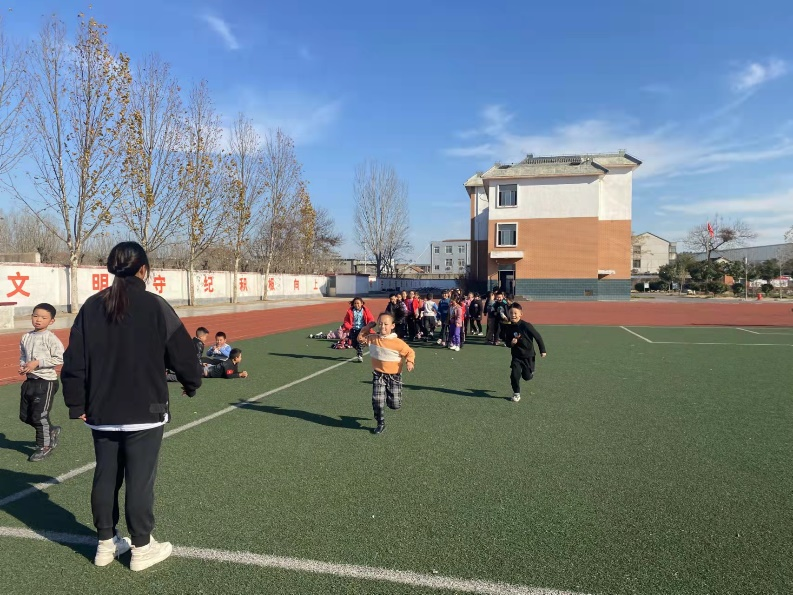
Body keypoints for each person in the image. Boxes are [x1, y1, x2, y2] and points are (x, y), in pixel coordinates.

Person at [62, 241, 202, 572]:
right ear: (143, 269)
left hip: (101, 409)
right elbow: (182, 352)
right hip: (145, 409)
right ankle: (141, 547)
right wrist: (191, 382)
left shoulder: (91, 307)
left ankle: (105, 543)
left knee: (106, 474)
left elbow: (74, 360)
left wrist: (76, 403)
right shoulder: (155, 305)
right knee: (140, 479)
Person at [18, 303, 65, 462]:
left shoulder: (50, 338)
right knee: (25, 417)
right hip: (29, 381)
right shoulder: (26, 337)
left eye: (43, 318)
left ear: (51, 321)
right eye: (35, 316)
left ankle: (44, 446)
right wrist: (24, 366)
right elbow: (23, 355)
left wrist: (38, 363)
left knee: (39, 416)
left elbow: (60, 358)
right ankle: (51, 431)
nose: (38, 320)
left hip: (46, 382)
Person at [358, 313, 415, 435]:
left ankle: (390, 400)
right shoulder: (373, 338)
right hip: (378, 375)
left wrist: (410, 362)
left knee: (395, 405)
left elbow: (410, 352)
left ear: (392, 326)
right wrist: (367, 327)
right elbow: (360, 339)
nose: (382, 326)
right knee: (377, 400)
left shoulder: (398, 343)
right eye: (380, 324)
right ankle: (380, 422)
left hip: (394, 377)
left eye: (386, 324)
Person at [500, 302, 546, 402]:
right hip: (516, 356)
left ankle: (530, 373)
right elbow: (507, 343)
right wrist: (511, 343)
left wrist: (542, 350)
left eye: (515, 313)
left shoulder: (526, 326)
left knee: (527, 377)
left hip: (528, 356)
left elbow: (537, 337)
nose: (513, 315)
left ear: (521, 314)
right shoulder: (508, 328)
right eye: (511, 313)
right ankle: (516, 393)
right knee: (514, 375)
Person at [342, 296, 374, 362]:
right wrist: (349, 327)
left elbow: (370, 318)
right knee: (353, 343)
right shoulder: (350, 311)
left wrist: (369, 325)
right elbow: (346, 321)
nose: (356, 305)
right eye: (355, 303)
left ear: (362, 303)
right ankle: (360, 349)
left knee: (360, 342)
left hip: (362, 330)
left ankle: (360, 355)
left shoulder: (365, 311)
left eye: (358, 303)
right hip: (353, 329)